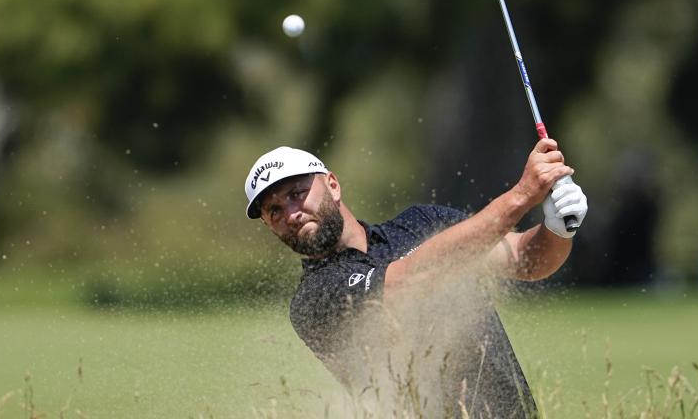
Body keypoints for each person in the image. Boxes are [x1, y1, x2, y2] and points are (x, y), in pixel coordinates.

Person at [243, 139, 587, 417]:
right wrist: (522, 195)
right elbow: (409, 281)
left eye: (296, 193)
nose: (290, 213)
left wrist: (557, 229)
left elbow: (526, 260)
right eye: (274, 210)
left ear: (332, 185)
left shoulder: (421, 223)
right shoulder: (313, 300)